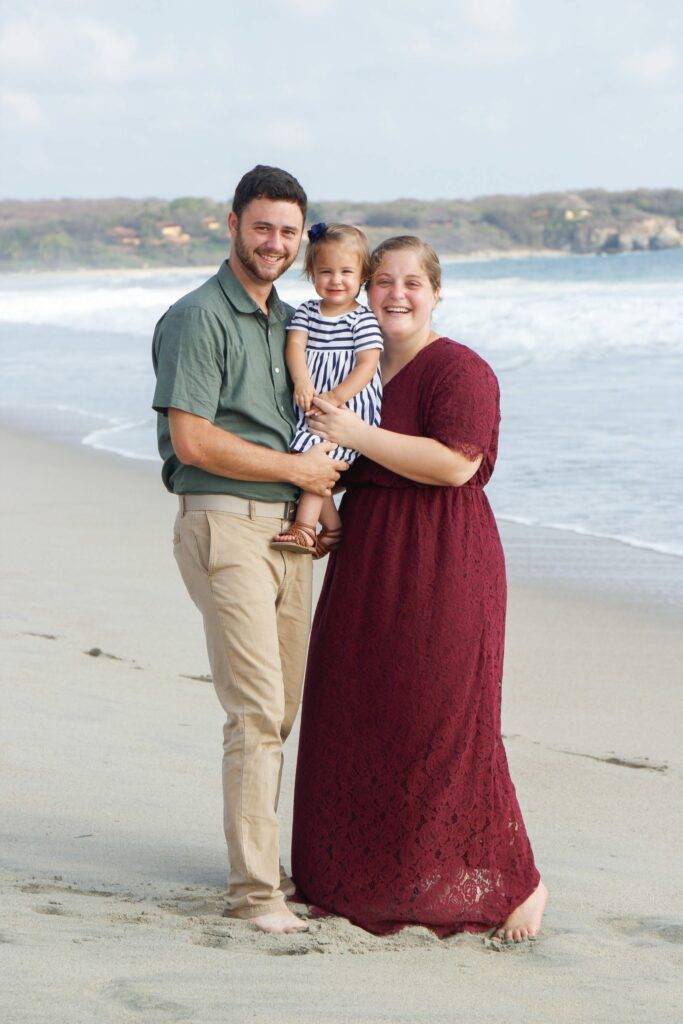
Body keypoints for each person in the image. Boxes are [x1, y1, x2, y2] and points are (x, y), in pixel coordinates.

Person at [291, 235, 548, 941]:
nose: (395, 294)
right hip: (366, 558)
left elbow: (454, 466)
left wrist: (352, 433)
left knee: (441, 720)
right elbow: (325, 455)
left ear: (435, 293)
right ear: (362, 291)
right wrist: (326, 506)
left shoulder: (460, 369)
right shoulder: (354, 370)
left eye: (411, 283)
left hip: (442, 560)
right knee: (358, 713)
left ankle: (518, 883)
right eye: (382, 282)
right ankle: (361, 879)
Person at [151, 165, 348, 935]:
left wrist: (317, 496)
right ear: (231, 224)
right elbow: (192, 439)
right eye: (261, 226)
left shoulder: (287, 321)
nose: (274, 242)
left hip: (286, 534)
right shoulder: (199, 318)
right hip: (222, 524)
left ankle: (266, 867)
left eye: (288, 231)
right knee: (256, 710)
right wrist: (296, 471)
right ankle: (253, 893)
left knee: (282, 710)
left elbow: (307, 428)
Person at [272, 222, 383, 556]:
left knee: (315, 458)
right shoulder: (307, 311)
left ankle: (305, 528)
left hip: (348, 405)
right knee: (305, 458)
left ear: (363, 275)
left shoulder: (361, 319)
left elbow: (368, 364)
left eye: (346, 271)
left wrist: (337, 397)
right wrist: (302, 380)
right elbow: (294, 347)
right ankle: (332, 527)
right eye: (326, 271)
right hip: (312, 400)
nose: (336, 280)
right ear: (312, 273)